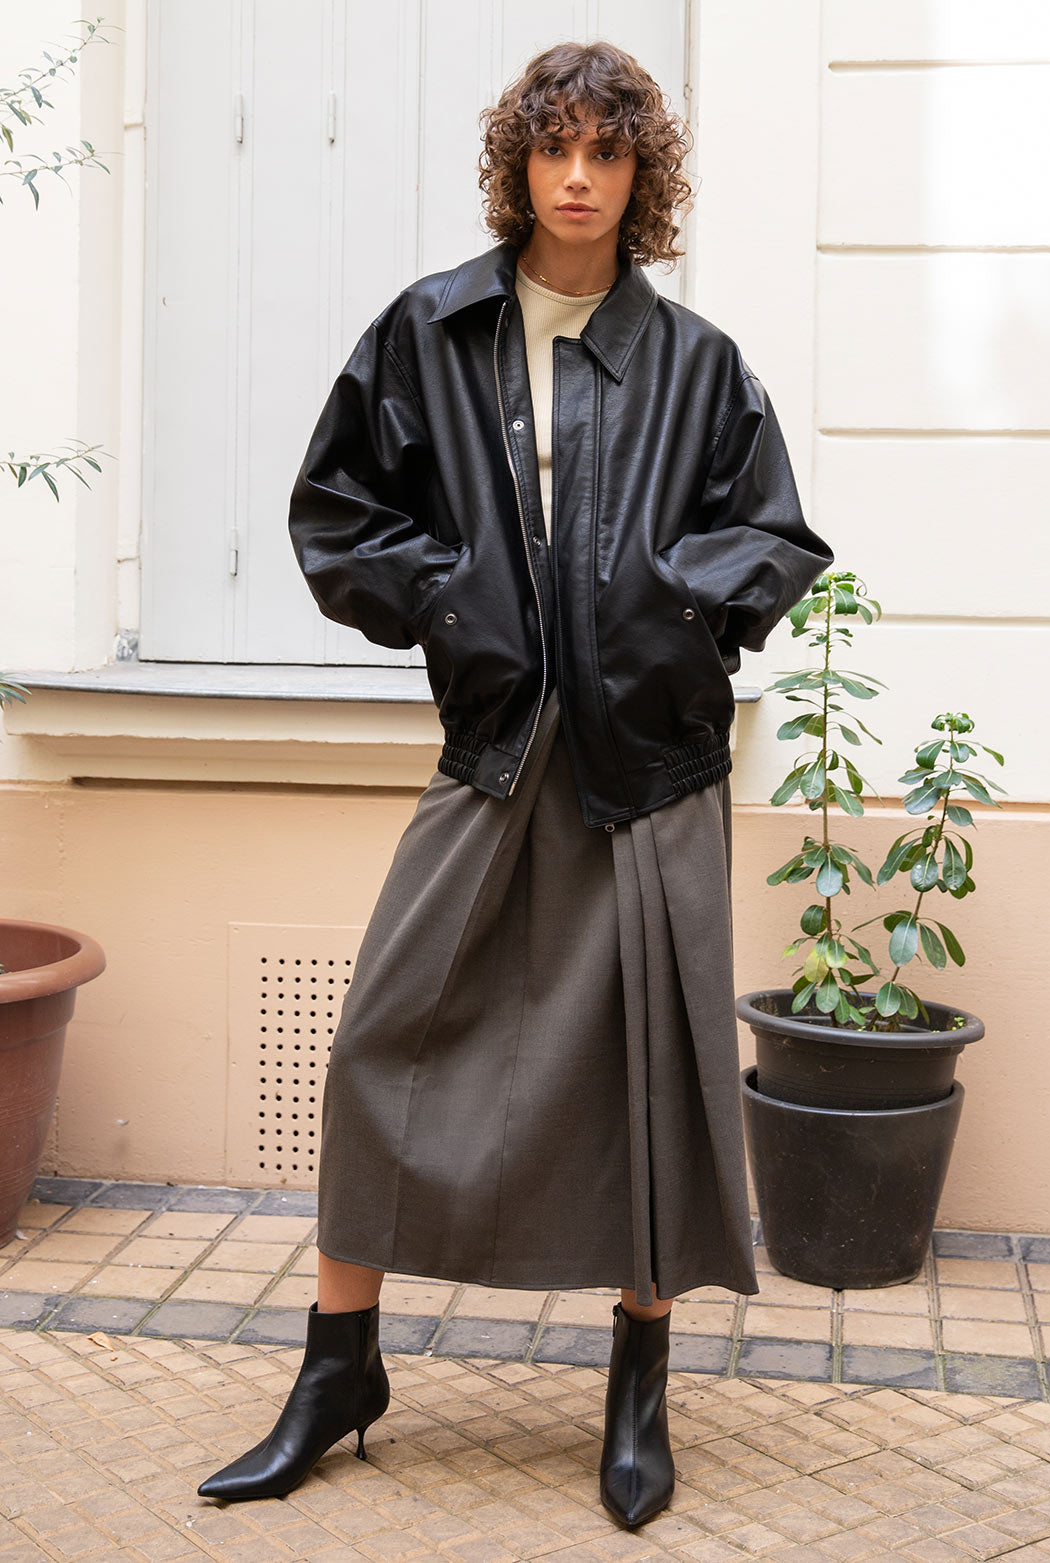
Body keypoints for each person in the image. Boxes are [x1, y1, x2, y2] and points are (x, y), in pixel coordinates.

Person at [196, 38, 834, 1529]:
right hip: (496, 741)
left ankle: (639, 1384)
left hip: (651, 760)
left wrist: (668, 607)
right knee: (383, 1040)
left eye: (608, 152)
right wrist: (454, 601)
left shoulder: (697, 363)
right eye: (556, 147)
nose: (578, 177)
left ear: (640, 174)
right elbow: (338, 510)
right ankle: (338, 1370)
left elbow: (774, 537)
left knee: (648, 1064)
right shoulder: (431, 331)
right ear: (520, 162)